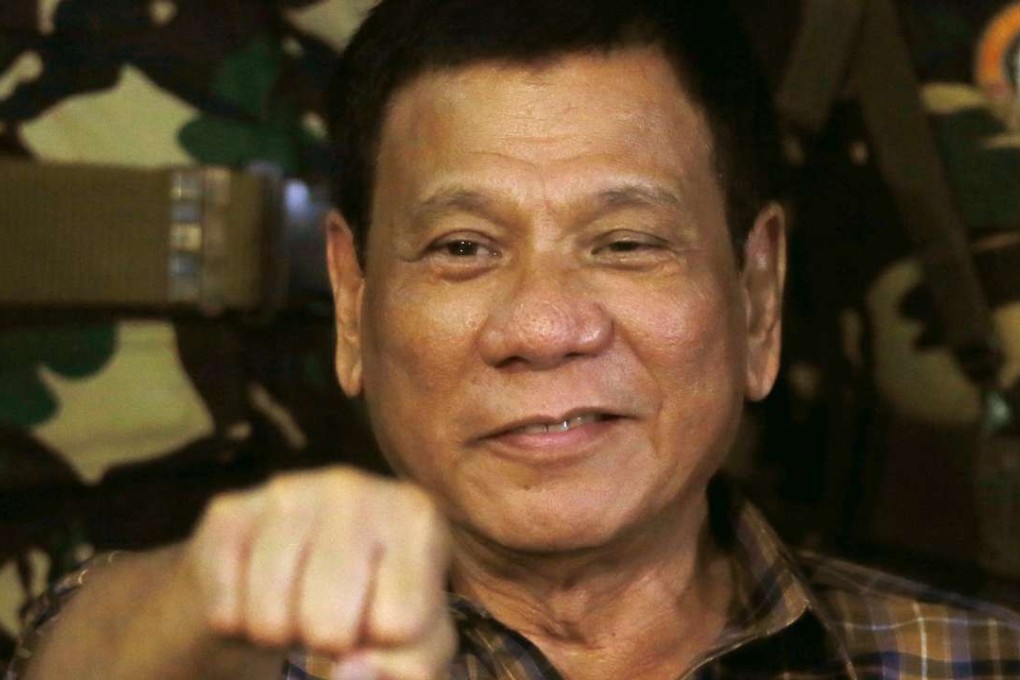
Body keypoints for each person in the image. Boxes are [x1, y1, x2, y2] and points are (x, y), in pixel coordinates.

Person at [8, 0, 1020, 678]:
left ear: (758, 297)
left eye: (626, 243)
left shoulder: (970, 658)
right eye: (461, 247)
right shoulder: (214, 646)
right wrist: (202, 596)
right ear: (354, 304)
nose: (543, 326)